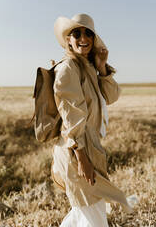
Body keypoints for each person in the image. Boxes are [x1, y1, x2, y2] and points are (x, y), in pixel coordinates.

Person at [52, 13, 132, 227]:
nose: (82, 37)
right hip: (76, 151)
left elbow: (112, 96)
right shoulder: (68, 68)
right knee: (94, 217)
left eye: (88, 32)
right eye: (75, 33)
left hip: (88, 149)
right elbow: (70, 117)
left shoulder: (87, 67)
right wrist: (81, 158)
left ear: (94, 38)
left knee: (83, 213)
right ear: (68, 40)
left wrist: (102, 66)